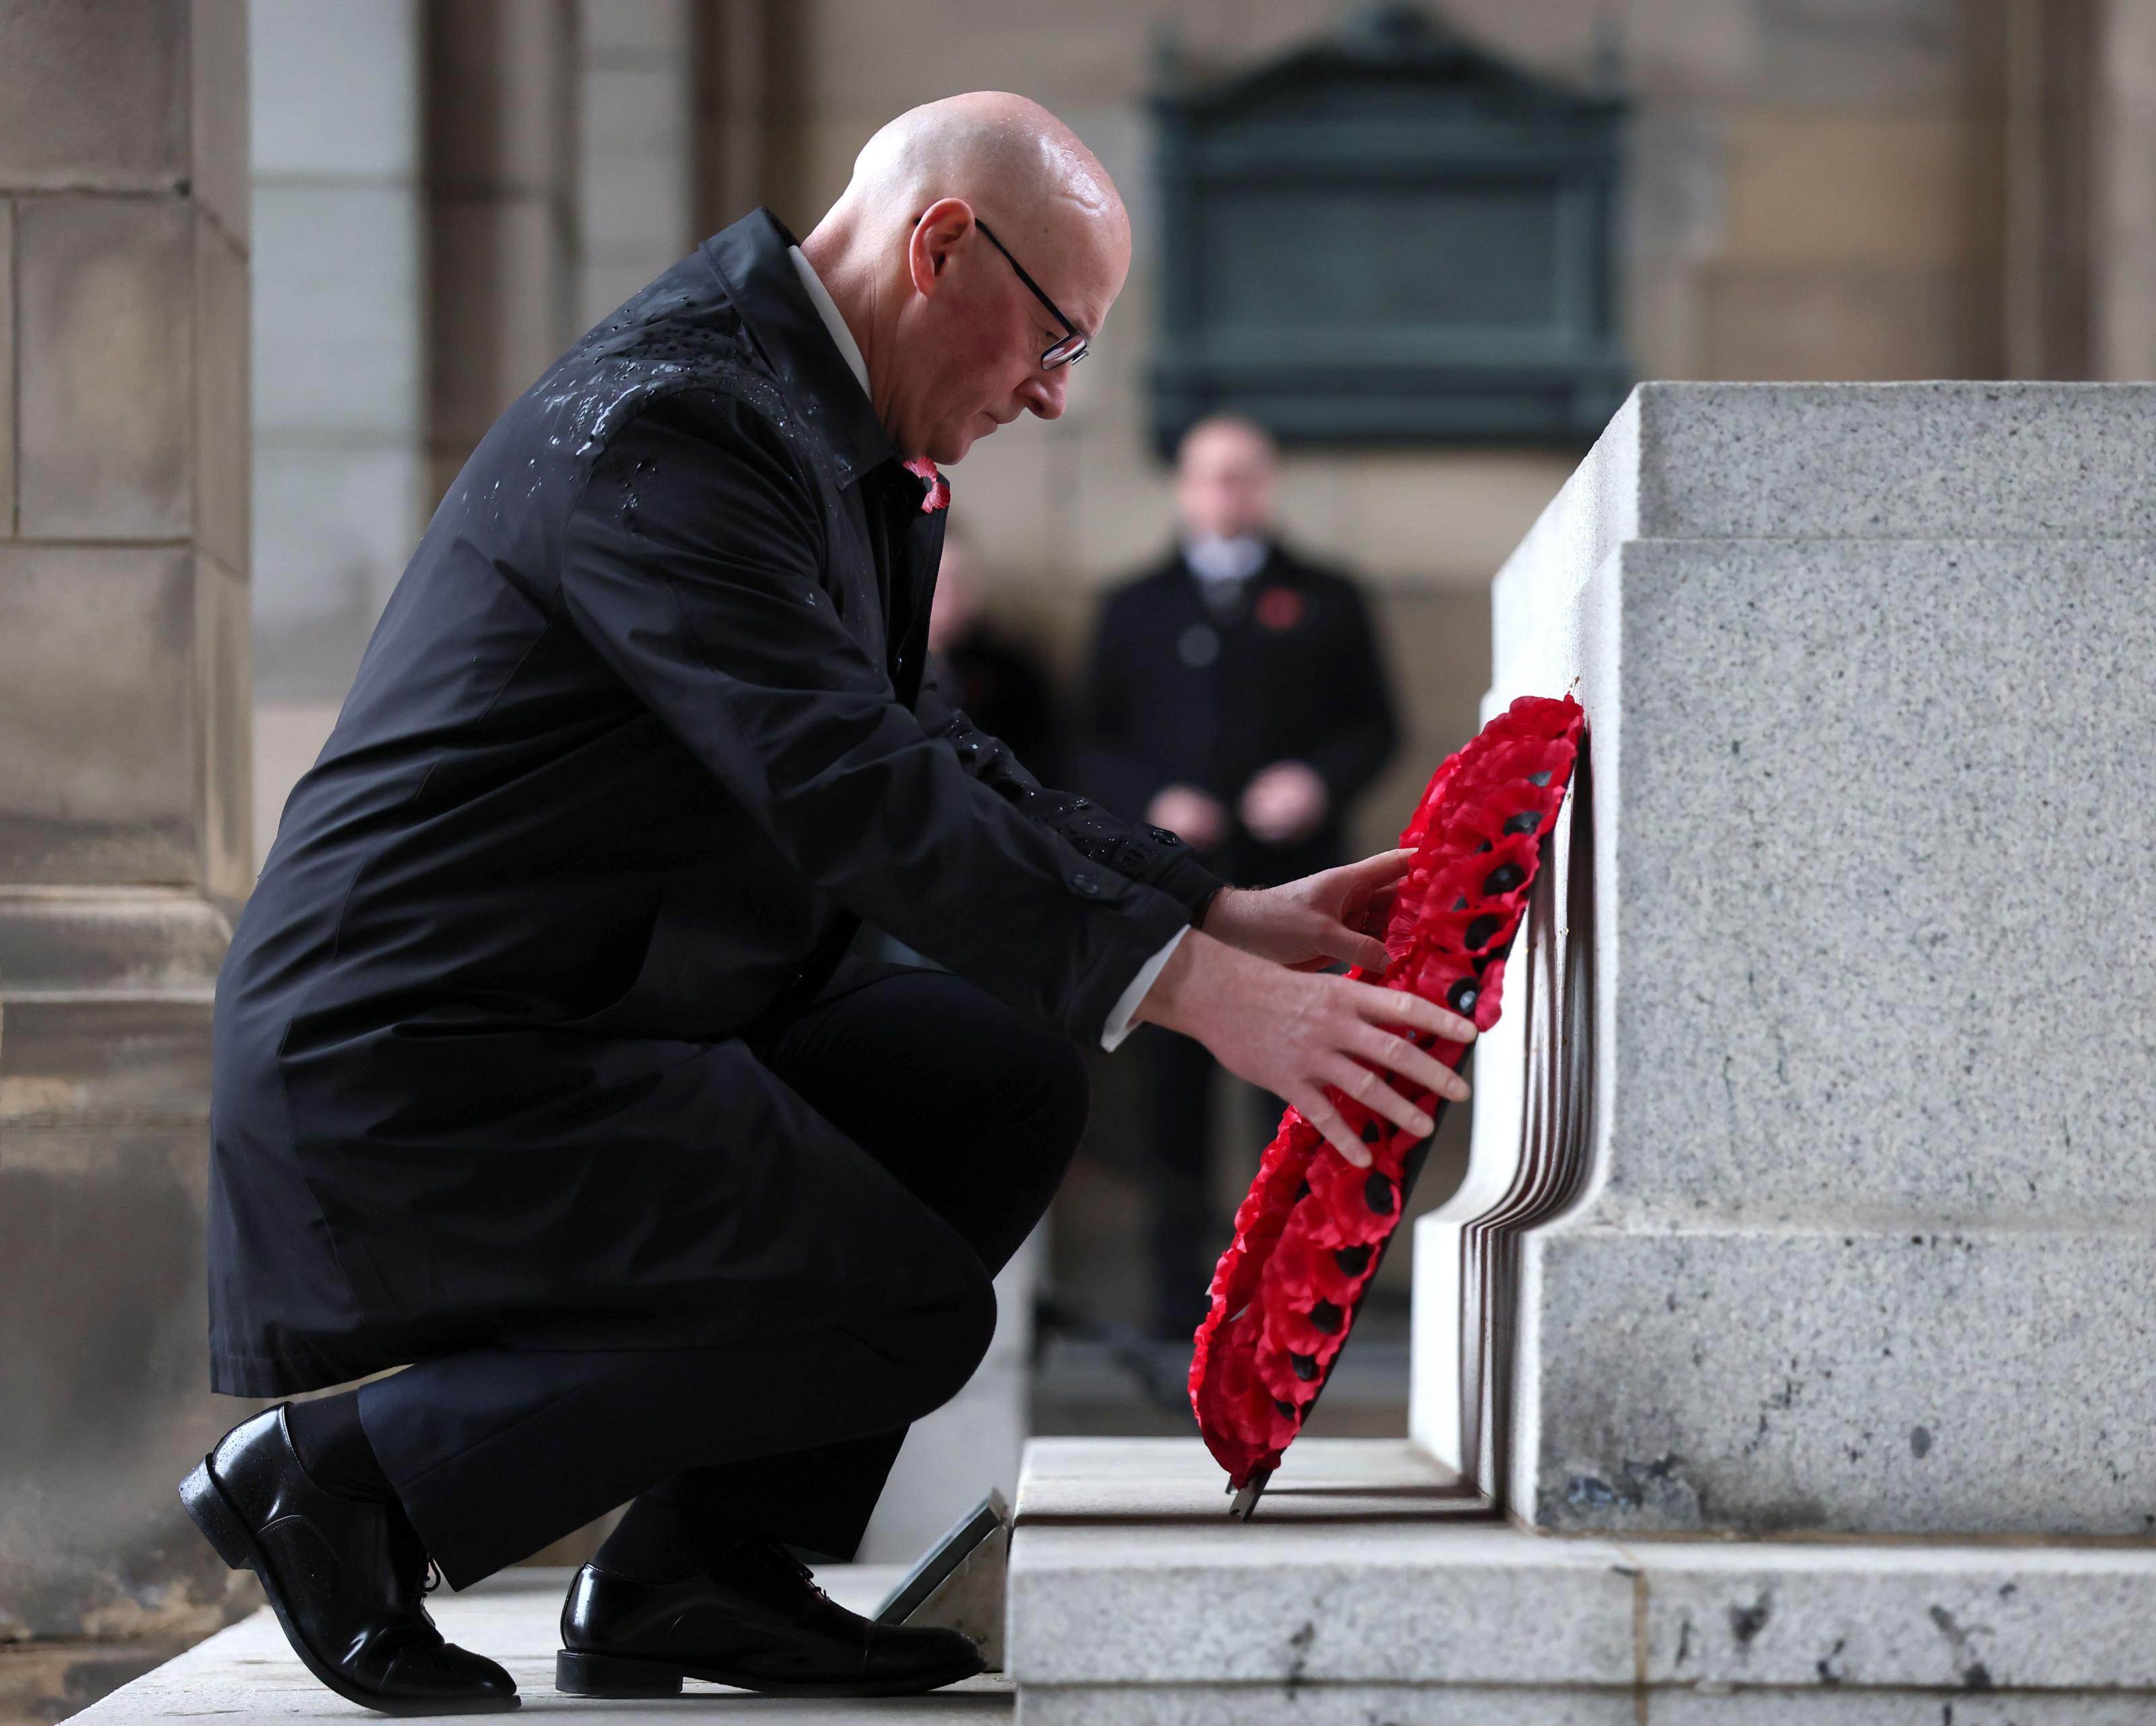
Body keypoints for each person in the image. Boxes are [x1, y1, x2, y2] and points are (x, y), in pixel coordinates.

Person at [182, 92, 1473, 1713]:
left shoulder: (821, 419)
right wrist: (1200, 992)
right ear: (943, 244)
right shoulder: (675, 414)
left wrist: (1218, 912)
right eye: (1055, 337)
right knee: (900, 1314)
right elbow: (837, 779)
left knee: (994, 1083)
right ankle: (347, 1476)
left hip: (622, 992)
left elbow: (921, 738)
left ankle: (692, 1576)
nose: (1055, 396)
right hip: (433, 1039)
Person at [1077, 414, 1398, 1337]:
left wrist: (1315, 781)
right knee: (1174, 1103)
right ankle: (1181, 1300)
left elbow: (1373, 727)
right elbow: (1088, 743)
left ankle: (1295, 1300)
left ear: (1270, 484)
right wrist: (1156, 803)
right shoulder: (1132, 605)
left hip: (1300, 887)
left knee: (1298, 1095)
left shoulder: (1330, 599)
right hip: (1173, 896)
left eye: (1245, 476)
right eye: (1212, 477)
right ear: (1184, 487)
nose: (1229, 493)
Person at [926, 523, 1060, 783]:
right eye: (936, 582)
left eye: (961, 580)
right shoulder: (875, 676)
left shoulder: (1012, 675)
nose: (950, 598)